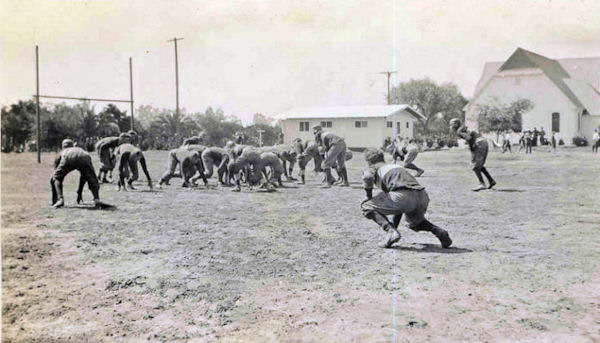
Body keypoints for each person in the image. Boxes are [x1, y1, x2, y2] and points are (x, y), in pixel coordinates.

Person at [360, 148, 452, 249]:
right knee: (414, 224)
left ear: (369, 161)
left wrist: (368, 196)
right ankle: (438, 231)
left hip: (402, 196)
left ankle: (390, 232)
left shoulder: (374, 167)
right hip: (422, 195)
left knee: (366, 206)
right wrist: (394, 228)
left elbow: (367, 177)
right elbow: (398, 210)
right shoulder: (395, 165)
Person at [51, 139, 110, 209]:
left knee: (57, 178)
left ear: (63, 146)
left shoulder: (62, 151)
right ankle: (96, 199)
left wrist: (54, 198)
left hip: (68, 157)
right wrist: (79, 192)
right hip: (85, 156)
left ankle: (60, 199)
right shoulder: (79, 149)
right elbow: (83, 177)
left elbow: (54, 178)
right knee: (92, 178)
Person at [450, 118, 496, 191]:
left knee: (474, 165)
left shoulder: (459, 131)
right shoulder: (464, 127)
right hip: (483, 142)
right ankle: (491, 180)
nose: (451, 127)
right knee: (479, 165)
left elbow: (469, 138)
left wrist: (472, 149)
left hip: (478, 143)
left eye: (452, 125)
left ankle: (482, 183)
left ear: (455, 125)